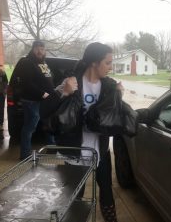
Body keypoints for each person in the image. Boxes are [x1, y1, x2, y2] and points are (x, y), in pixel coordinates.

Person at [40, 42, 122, 222]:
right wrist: (64, 93)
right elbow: (44, 110)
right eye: (107, 63)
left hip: (100, 151)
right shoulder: (71, 82)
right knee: (74, 196)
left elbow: (114, 119)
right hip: (73, 152)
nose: (110, 67)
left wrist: (118, 97)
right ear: (94, 62)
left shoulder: (109, 86)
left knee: (107, 192)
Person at [11, 40, 55, 160]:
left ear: (45, 50)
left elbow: (48, 78)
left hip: (45, 101)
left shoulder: (43, 62)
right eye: (37, 48)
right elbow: (27, 83)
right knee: (30, 127)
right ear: (33, 49)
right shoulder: (27, 62)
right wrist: (42, 93)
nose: (39, 50)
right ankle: (25, 155)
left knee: (48, 124)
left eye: (42, 48)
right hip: (32, 101)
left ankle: (52, 149)